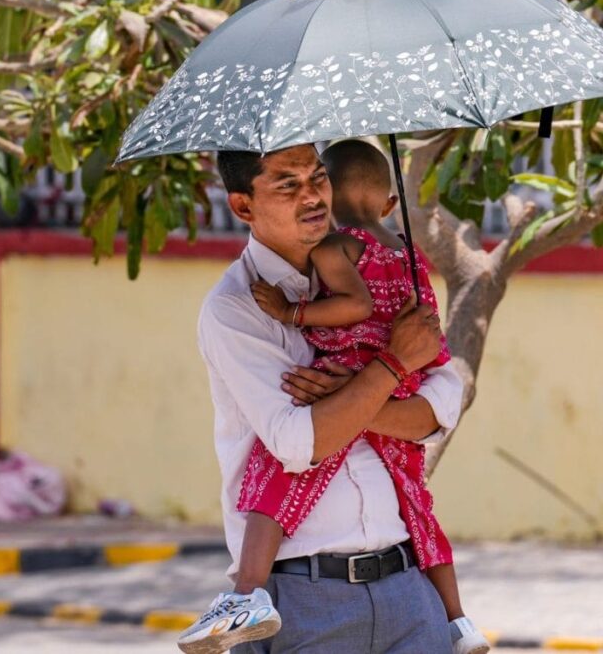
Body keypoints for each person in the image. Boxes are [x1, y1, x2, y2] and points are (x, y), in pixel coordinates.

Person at [178, 142, 489, 654]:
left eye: (318, 177)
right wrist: (391, 368)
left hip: (409, 591)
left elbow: (440, 405)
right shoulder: (237, 308)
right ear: (242, 206)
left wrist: (354, 397)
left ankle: (455, 620)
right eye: (287, 184)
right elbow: (301, 441)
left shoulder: (377, 262)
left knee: (421, 508)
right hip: (304, 602)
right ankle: (245, 599)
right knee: (281, 472)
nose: (312, 196)